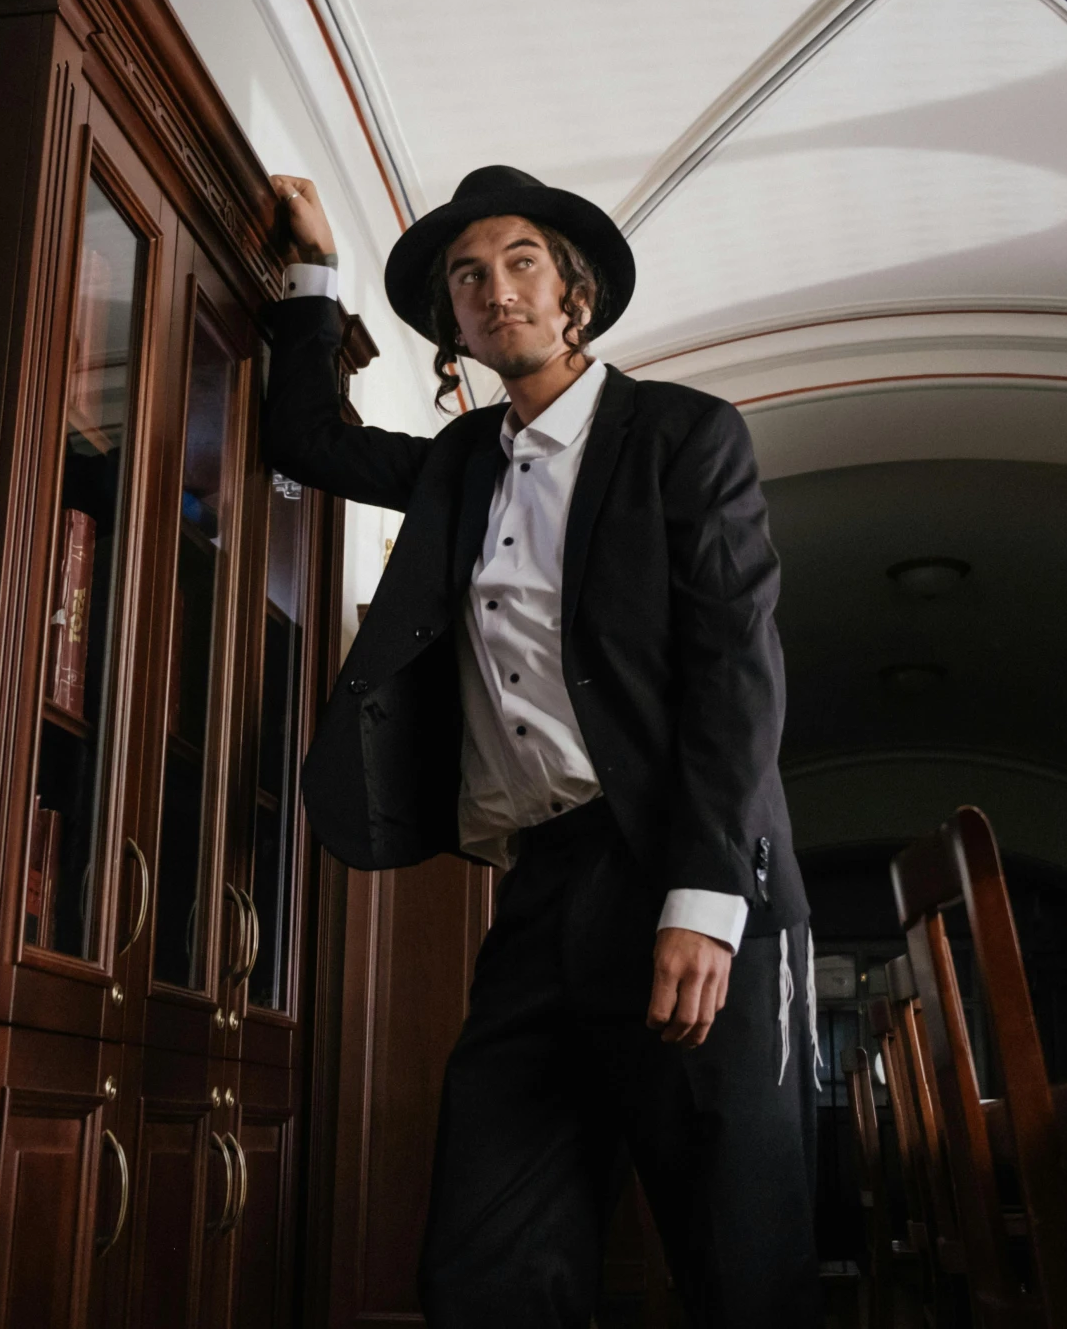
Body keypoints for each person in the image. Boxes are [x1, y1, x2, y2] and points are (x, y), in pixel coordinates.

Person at [262, 165, 818, 1328]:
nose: (492, 289)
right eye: (468, 276)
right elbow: (312, 439)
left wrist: (702, 895)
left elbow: (734, 670)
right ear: (453, 320)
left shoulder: (681, 436)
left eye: (519, 263)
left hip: (679, 871)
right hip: (536, 894)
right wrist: (313, 269)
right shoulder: (460, 465)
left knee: (734, 1253)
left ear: (572, 297)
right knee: (484, 1252)